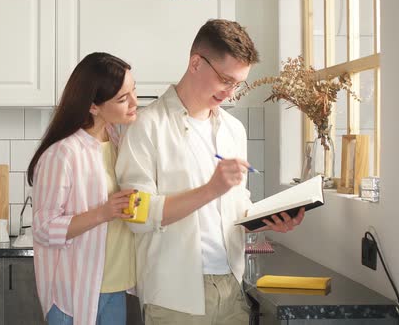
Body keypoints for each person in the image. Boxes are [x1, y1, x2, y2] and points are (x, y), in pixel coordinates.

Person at [115, 19, 305, 325]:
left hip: (231, 290)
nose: (230, 92)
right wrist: (210, 189)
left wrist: (267, 221)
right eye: (225, 80)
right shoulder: (145, 126)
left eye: (238, 84)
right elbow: (136, 215)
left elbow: (235, 210)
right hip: (174, 298)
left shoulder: (233, 130)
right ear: (195, 63)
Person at [27, 52, 139, 325]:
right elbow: (43, 229)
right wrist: (104, 212)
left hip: (115, 285)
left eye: (133, 91)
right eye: (122, 99)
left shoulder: (114, 138)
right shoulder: (63, 153)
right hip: (75, 291)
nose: (134, 102)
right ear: (93, 106)